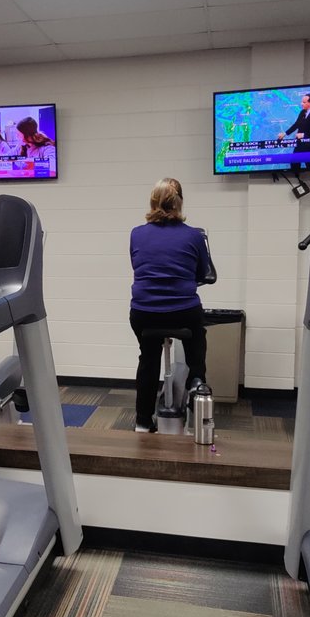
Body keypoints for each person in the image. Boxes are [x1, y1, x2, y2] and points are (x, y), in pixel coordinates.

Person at [129, 178, 209, 433]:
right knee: (197, 340)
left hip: (144, 313)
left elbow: (139, 266)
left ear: (152, 202)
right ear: (179, 202)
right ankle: (196, 384)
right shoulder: (194, 235)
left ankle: (143, 421)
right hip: (183, 312)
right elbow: (203, 273)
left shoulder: (136, 234)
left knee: (148, 356)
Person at [276, 93, 310, 171]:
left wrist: (304, 135)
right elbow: (296, 124)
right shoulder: (302, 112)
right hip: (300, 145)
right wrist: (285, 133)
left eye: (304, 102)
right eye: (302, 102)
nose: (302, 104)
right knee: (294, 164)